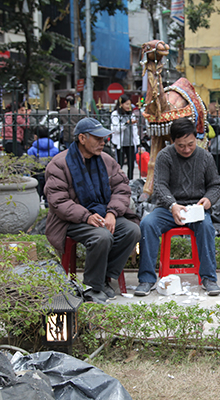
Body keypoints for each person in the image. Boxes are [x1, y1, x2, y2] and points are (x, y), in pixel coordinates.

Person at [44, 117, 141, 304]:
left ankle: (104, 277)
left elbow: (122, 188)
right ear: (82, 138)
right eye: (97, 138)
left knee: (132, 230)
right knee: (101, 236)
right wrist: (86, 216)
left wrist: (112, 212)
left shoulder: (106, 160)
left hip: (103, 213)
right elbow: (58, 202)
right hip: (71, 220)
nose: (103, 142)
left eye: (103, 138)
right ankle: (93, 286)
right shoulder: (59, 164)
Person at [134, 118, 220, 297]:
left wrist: (208, 200)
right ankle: (147, 279)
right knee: (147, 224)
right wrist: (172, 204)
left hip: (195, 208)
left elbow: (216, 185)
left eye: (190, 144)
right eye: (181, 145)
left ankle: (209, 278)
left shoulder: (205, 156)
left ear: (196, 139)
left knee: (206, 226)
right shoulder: (165, 156)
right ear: (173, 141)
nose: (187, 149)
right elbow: (159, 186)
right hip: (168, 208)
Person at [27, 126, 59, 204]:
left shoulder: (32, 150)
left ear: (36, 136)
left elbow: (30, 164)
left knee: (36, 196)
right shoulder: (55, 149)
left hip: (36, 174)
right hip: (51, 174)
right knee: (50, 196)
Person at [110, 94, 139, 180]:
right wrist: (126, 123)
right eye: (126, 104)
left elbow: (135, 130)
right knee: (120, 164)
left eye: (129, 104)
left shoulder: (131, 114)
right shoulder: (115, 114)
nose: (128, 106)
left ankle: (130, 180)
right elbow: (116, 129)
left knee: (131, 164)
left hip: (130, 142)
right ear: (121, 104)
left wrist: (137, 143)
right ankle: (119, 180)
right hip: (120, 143)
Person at [207, 102, 220, 175]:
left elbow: (218, 131)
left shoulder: (217, 119)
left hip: (217, 143)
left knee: (217, 163)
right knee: (218, 162)